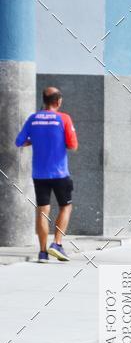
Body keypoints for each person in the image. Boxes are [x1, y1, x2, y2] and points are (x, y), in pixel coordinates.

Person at [15, 86, 78, 263]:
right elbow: (73, 145)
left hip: (39, 174)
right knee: (66, 207)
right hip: (60, 173)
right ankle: (57, 244)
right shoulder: (63, 118)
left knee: (42, 211)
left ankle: (42, 253)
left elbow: (19, 141)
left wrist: (33, 140)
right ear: (58, 101)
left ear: (44, 100)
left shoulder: (33, 119)